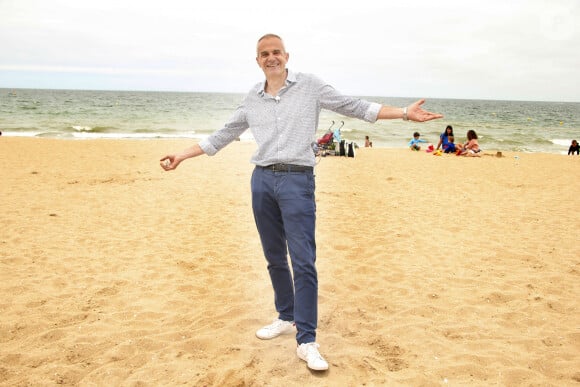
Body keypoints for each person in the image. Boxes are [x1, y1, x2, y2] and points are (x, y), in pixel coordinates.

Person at [159, 33, 443, 371]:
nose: (271, 58)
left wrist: (405, 114)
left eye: (276, 52)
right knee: (274, 257)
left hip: (297, 181)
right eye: (264, 54)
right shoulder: (252, 97)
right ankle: (285, 316)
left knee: (304, 260)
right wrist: (181, 155)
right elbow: (222, 136)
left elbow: (354, 107)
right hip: (261, 180)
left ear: (287, 56)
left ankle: (306, 339)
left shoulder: (310, 86)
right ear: (258, 60)